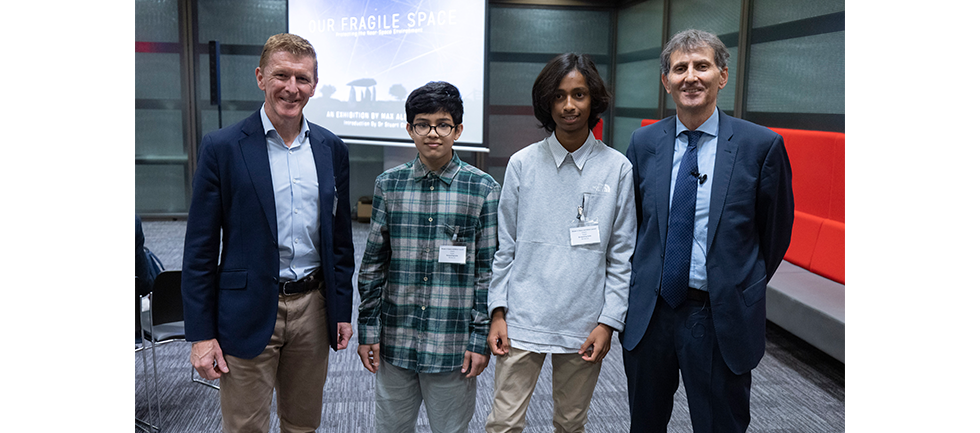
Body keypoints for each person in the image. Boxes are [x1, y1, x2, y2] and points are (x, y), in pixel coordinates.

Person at [621, 29, 794, 433]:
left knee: (720, 425)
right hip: (652, 315)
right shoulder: (643, 142)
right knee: (644, 424)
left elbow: (775, 231)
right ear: (666, 81)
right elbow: (634, 224)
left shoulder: (761, 145)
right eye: (680, 68)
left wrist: (737, 281)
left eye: (702, 65)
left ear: (722, 75)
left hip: (720, 315)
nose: (691, 76)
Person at [181, 33, 355, 433]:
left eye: (302, 78)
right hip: (246, 309)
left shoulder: (332, 148)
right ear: (261, 77)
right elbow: (200, 250)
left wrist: (341, 310)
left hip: (313, 308)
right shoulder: (222, 147)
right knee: (245, 426)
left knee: (303, 424)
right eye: (281, 75)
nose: (291, 88)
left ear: (314, 85)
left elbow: (340, 241)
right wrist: (202, 335)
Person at [484, 53, 636, 433]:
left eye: (579, 94)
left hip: (584, 320)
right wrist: (498, 312)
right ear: (547, 103)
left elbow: (622, 254)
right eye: (559, 96)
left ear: (594, 100)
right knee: (503, 423)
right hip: (523, 317)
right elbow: (506, 247)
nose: (569, 105)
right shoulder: (522, 164)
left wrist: (608, 322)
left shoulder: (617, 168)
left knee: (570, 423)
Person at [357, 81, 499, 433]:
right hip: (396, 340)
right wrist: (367, 329)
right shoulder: (388, 185)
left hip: (451, 344)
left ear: (458, 130)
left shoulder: (482, 189)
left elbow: (488, 272)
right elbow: (373, 264)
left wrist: (479, 339)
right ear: (410, 129)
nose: (432, 133)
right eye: (422, 124)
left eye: (443, 124)